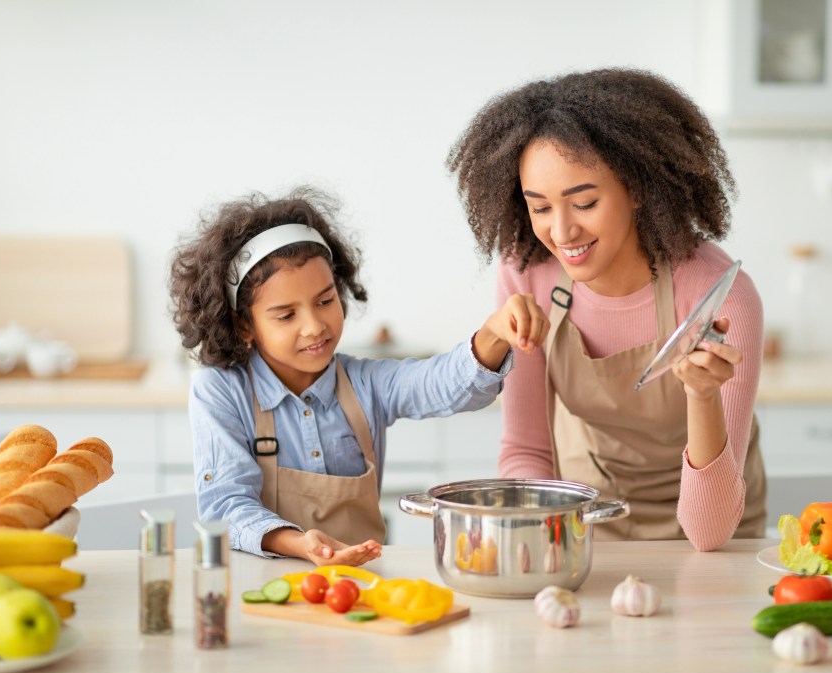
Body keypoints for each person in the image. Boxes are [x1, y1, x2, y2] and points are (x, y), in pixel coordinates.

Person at [447, 68, 765, 550]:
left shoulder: (718, 298)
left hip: (715, 527)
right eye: (540, 208)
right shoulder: (527, 275)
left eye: (585, 202)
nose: (562, 232)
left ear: (637, 188)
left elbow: (710, 531)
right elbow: (526, 448)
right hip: (585, 516)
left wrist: (701, 396)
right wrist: (535, 537)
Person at [168, 187, 548, 566]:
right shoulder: (220, 390)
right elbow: (226, 505)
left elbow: (439, 382)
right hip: (262, 590)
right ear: (243, 325)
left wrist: (494, 333)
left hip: (360, 589)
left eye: (325, 301)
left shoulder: (365, 383)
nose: (314, 326)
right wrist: (301, 544)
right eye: (286, 315)